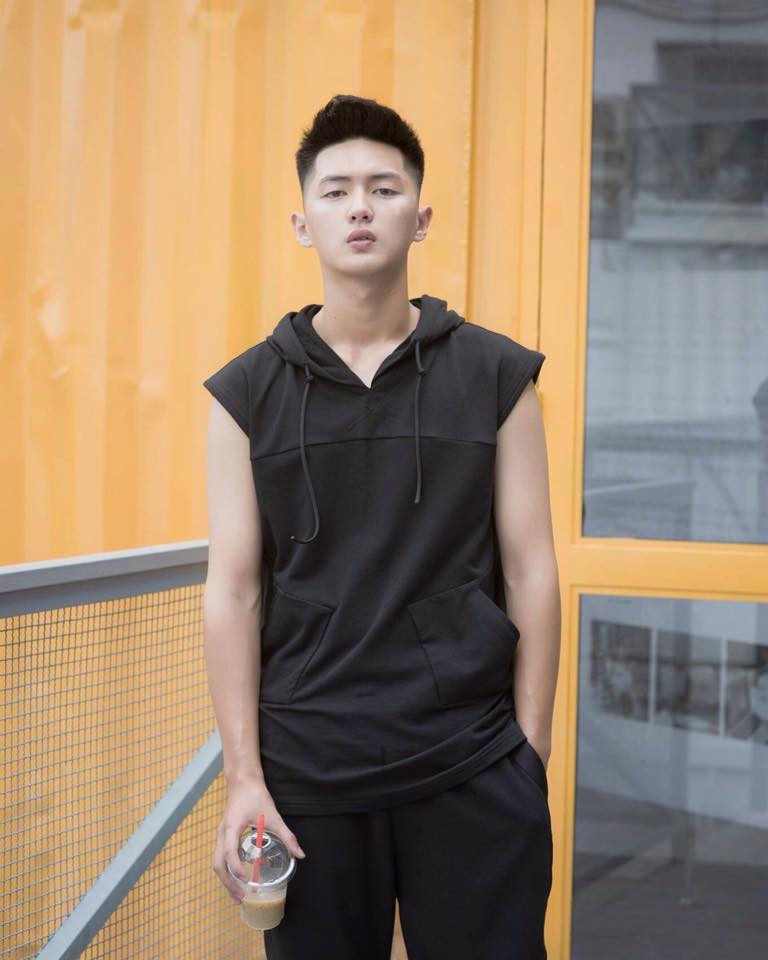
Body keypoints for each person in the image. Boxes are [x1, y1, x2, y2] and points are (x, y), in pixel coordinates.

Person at [202, 93, 561, 960]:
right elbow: (234, 590)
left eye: (384, 188)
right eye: (335, 191)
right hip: (308, 773)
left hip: (471, 762)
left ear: (420, 217)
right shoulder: (245, 394)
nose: (359, 207)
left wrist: (531, 753)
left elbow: (533, 570)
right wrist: (244, 777)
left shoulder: (496, 376)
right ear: (303, 224)